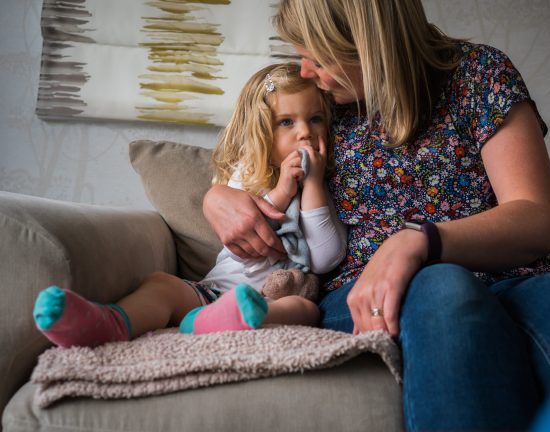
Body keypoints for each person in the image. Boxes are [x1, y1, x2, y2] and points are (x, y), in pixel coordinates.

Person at [203, 0, 550, 430]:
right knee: (443, 286)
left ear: (367, 44)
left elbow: (534, 218)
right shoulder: (325, 108)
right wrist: (216, 197)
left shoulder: (480, 74)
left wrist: (417, 241)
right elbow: (252, 161)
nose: (305, 71)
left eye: (318, 56)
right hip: (369, 295)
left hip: (510, 282)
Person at [33, 63, 347, 348]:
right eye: (287, 122)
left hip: (271, 301)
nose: (305, 132)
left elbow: (324, 258)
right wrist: (281, 190)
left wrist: (314, 184)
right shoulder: (249, 174)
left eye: (315, 118)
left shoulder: (327, 188)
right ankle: (108, 324)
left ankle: (229, 321)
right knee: (161, 285)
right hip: (211, 293)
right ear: (261, 130)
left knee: (305, 309)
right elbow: (250, 238)